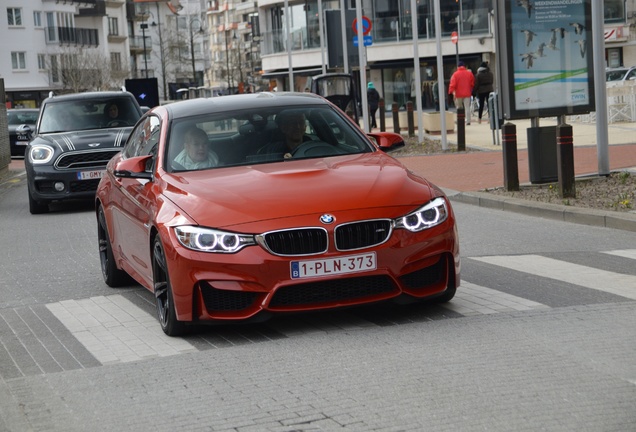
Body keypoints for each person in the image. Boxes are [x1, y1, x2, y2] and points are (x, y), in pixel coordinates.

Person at [448, 61, 475, 125]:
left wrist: (452, 92)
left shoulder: (455, 74)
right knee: (467, 107)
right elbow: (472, 84)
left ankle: (460, 120)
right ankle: (468, 121)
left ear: (458, 67)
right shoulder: (469, 74)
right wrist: (470, 90)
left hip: (458, 94)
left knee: (459, 108)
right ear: (464, 66)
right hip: (467, 93)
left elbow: (452, 84)